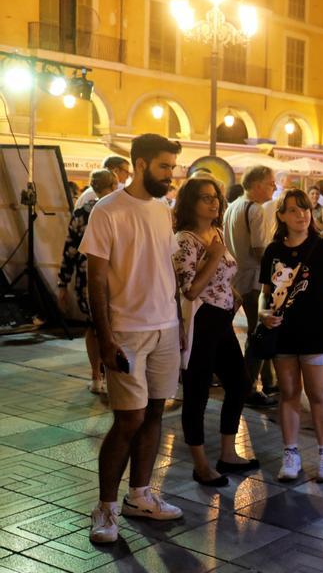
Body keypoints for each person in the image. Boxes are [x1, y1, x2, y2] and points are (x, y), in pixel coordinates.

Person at [80, 133, 185, 543]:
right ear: (140, 164)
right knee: (129, 419)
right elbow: (96, 281)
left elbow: (165, 269)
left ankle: (140, 495)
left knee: (156, 412)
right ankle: (105, 507)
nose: (170, 175)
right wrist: (105, 339)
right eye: (164, 167)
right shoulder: (107, 210)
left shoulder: (162, 210)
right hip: (126, 331)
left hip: (165, 328)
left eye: (172, 167)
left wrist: (178, 323)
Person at [172, 177, 259, 487]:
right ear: (190, 203)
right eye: (205, 198)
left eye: (216, 198)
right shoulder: (185, 240)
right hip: (201, 321)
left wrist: (232, 291)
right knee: (197, 392)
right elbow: (191, 290)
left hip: (222, 319)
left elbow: (220, 276)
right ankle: (201, 463)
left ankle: (227, 452)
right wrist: (212, 255)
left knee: (239, 382)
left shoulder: (216, 233)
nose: (214, 203)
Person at [259, 188, 323, 482]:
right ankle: (291, 452)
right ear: (281, 216)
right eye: (294, 210)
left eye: (305, 209)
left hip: (316, 333)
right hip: (283, 334)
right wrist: (262, 314)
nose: (302, 215)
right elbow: (265, 295)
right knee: (288, 393)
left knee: (318, 394)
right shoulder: (273, 252)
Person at [58, 169, 117, 395]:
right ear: (112, 185)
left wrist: (62, 284)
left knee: (93, 327)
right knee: (114, 327)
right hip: (114, 277)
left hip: (86, 281)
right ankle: (113, 376)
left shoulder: (81, 212)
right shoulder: (115, 210)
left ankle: (95, 377)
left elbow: (69, 250)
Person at [224, 166, 277, 408]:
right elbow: (259, 250)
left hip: (234, 278)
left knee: (253, 331)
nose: (274, 187)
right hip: (254, 279)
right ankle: (248, 387)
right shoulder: (256, 210)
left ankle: (268, 379)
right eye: (270, 183)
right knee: (258, 334)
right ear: (256, 185)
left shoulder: (233, 206)